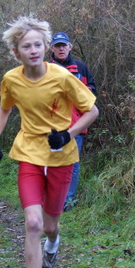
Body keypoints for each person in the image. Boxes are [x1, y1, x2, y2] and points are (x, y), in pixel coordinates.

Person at [0, 16, 99, 268]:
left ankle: (54, 243)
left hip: (62, 155)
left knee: (50, 226)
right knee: (33, 223)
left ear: (46, 47)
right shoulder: (11, 80)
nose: (34, 50)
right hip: (29, 154)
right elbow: (4, 108)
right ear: (17, 52)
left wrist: (68, 134)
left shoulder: (62, 76)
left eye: (38, 45)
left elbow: (93, 110)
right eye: (27, 46)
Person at [49, 32, 97, 212]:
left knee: (72, 165)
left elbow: (92, 91)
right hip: (51, 126)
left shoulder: (80, 68)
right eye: (57, 46)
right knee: (52, 162)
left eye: (64, 45)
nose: (61, 49)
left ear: (70, 47)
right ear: (51, 48)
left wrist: (78, 93)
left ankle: (68, 201)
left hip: (76, 125)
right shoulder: (45, 68)